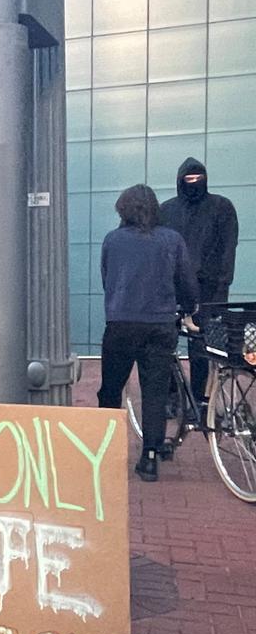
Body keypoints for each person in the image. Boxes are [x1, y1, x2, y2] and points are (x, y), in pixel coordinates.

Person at [98, 185, 198, 482]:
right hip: (159, 325)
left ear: (123, 210)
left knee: (111, 388)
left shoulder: (112, 240)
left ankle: (105, 452)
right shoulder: (172, 240)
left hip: (121, 324)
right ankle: (150, 458)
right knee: (154, 394)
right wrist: (189, 307)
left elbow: (107, 279)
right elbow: (186, 281)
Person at [160, 157, 239, 405]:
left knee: (201, 348)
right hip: (173, 289)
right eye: (189, 179)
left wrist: (221, 286)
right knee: (166, 343)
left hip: (208, 289)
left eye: (197, 179)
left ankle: (199, 398)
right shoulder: (167, 210)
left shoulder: (221, 207)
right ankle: (173, 396)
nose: (193, 184)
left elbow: (228, 249)